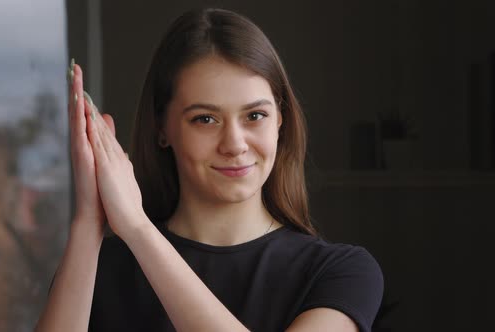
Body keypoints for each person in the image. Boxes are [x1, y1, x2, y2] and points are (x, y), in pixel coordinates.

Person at [35, 8, 383, 332]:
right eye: (205, 119)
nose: (234, 143)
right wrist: (88, 221)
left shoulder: (341, 273)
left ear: (280, 119)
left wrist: (138, 228)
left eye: (255, 116)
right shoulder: (103, 270)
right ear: (162, 129)